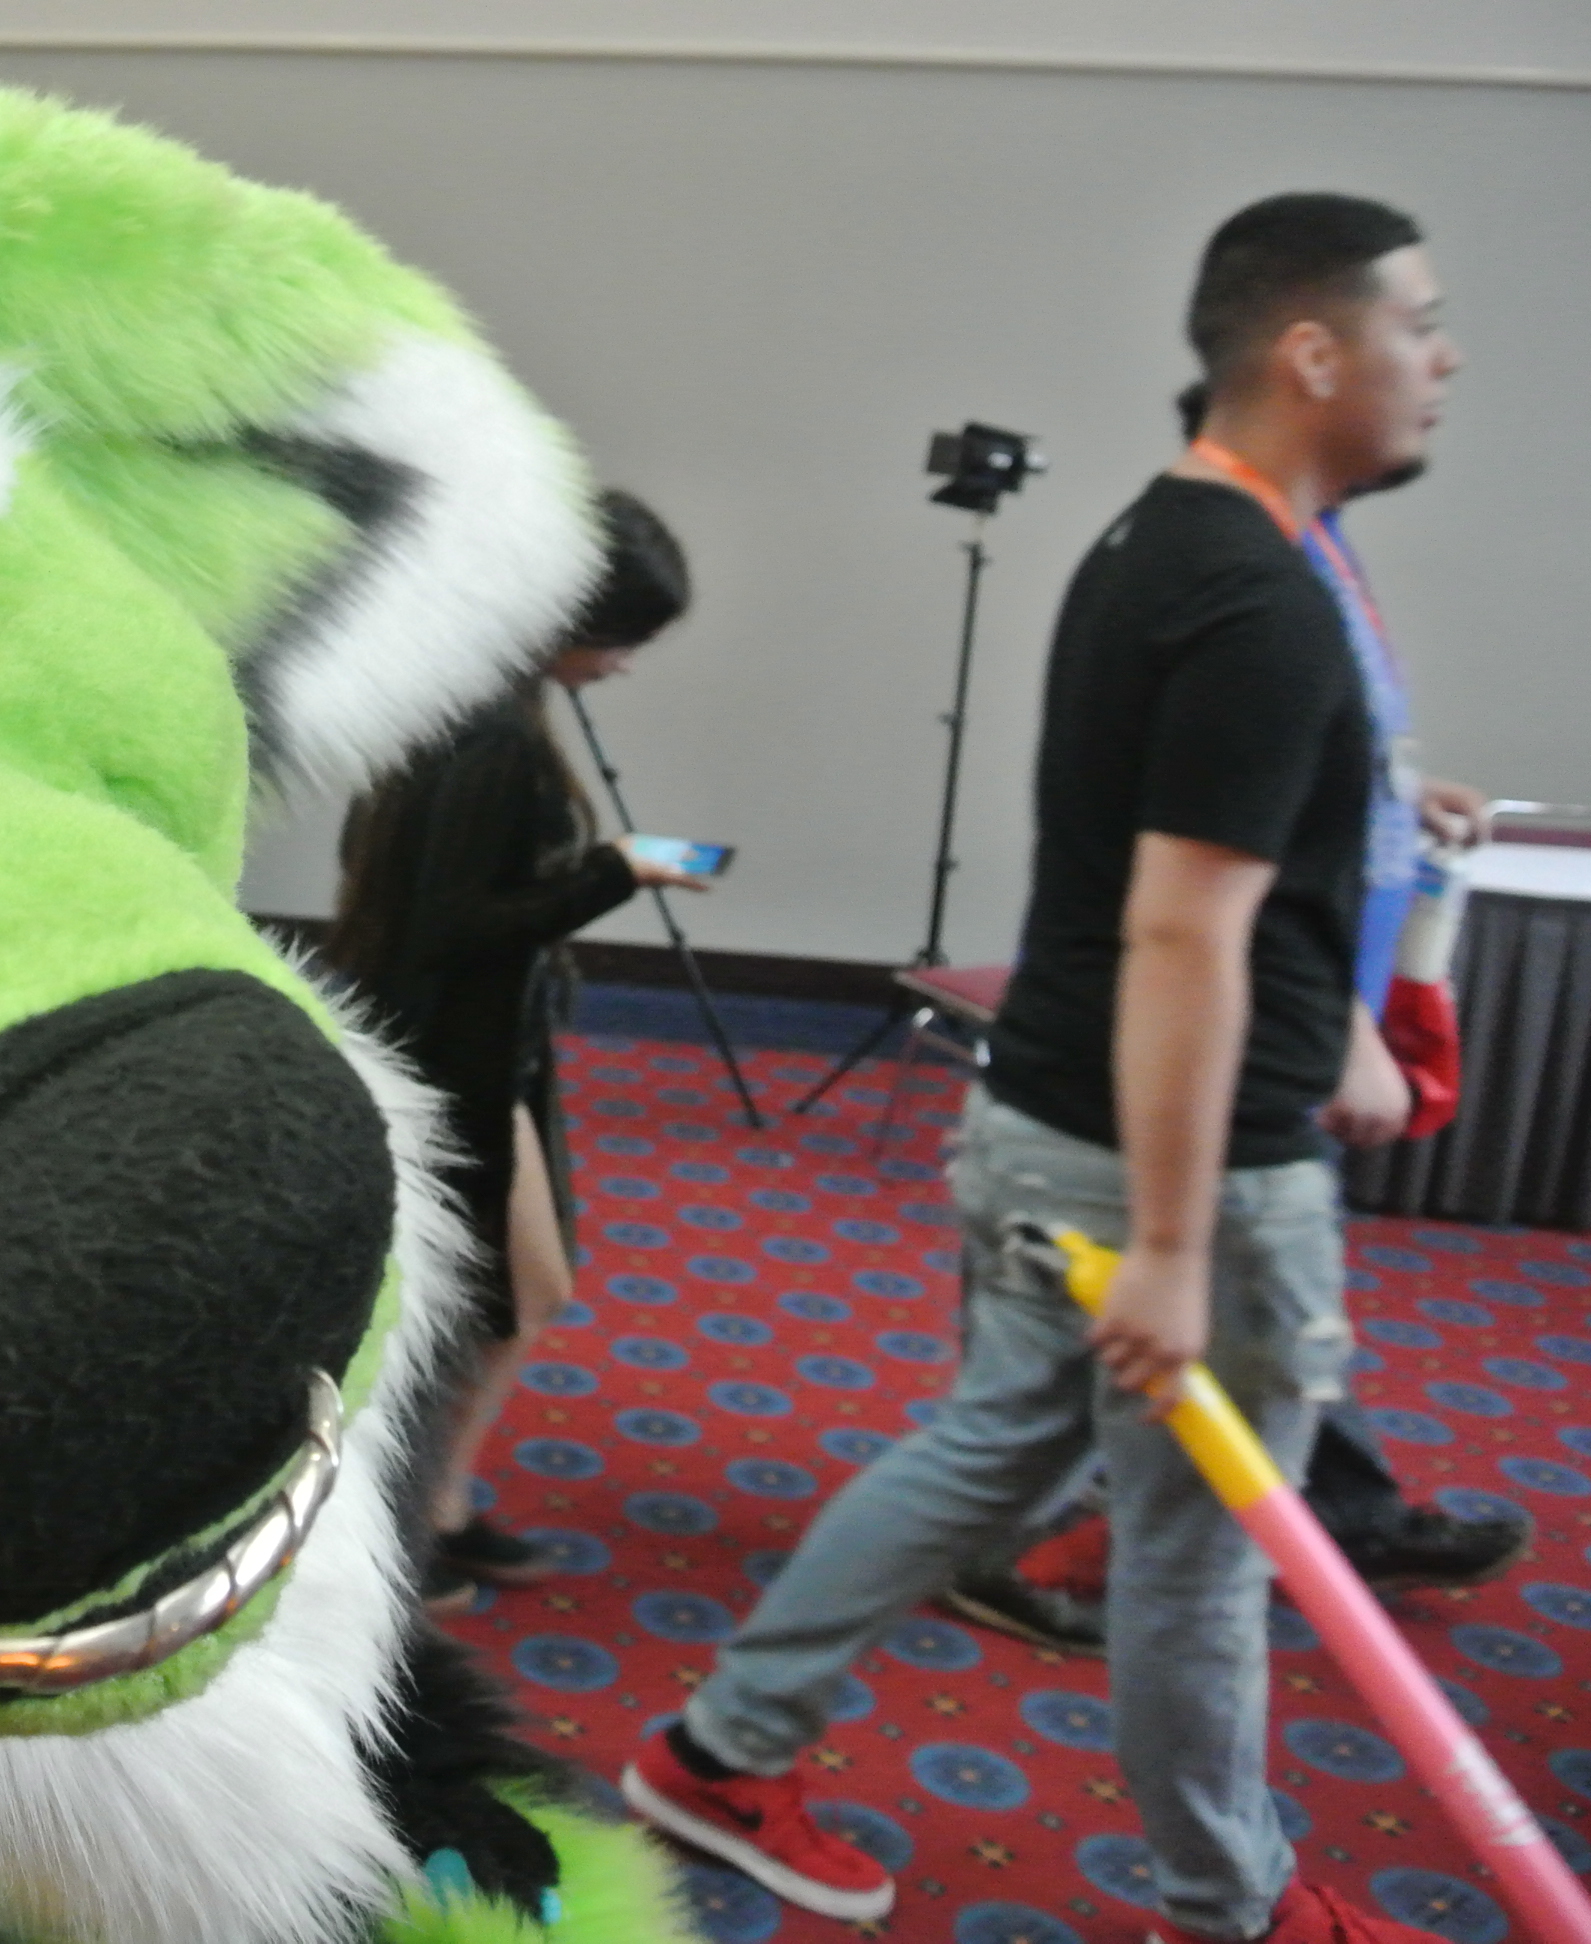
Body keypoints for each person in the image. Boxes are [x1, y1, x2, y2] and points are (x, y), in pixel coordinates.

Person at [621, 194, 1460, 1942]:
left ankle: (719, 1749)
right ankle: (1233, 1908)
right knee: (1194, 1560)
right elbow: (1184, 933)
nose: (1441, 361)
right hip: (1181, 1163)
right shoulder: (1261, 602)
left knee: (986, 1451)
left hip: (1049, 1109)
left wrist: (1341, 977)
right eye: (1419, 324)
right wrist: (1174, 1240)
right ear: (1313, 353)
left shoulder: (1161, 539)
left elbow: (1220, 880)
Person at [940, 383, 1527, 1656]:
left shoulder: (1264, 550)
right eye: (1409, 342)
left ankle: (1334, 1509)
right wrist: (1342, 1032)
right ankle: (774, 1701)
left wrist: (1395, 794)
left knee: (1231, 1312)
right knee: (1119, 1331)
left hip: (1210, 1025)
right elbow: (1204, 879)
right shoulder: (1241, 576)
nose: (1437, 374)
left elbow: (1276, 781)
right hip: (1185, 1027)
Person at [330, 489, 703, 1607]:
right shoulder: (496, 740)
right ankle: (404, 1523)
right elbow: (453, 929)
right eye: (621, 638)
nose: (623, 665)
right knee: (480, 1302)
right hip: (452, 1055)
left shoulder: (462, 701)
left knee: (519, 1290)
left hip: (451, 1044)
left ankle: (432, 1508)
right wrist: (611, 874)